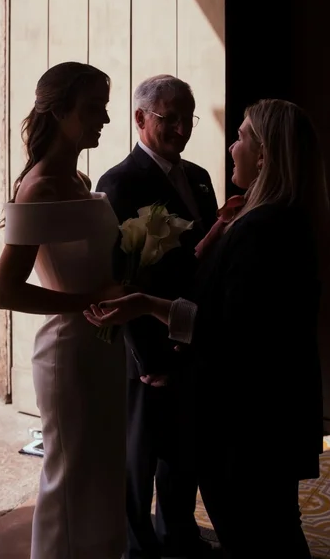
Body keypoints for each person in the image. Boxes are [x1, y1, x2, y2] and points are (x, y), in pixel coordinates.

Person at [86, 98, 328, 559]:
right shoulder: (278, 217)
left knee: (255, 532)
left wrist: (145, 304)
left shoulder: (262, 228)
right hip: (268, 408)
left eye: (240, 137)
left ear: (265, 156)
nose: (231, 147)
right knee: (274, 525)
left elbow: (228, 329)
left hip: (246, 416)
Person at [0, 62, 127, 559]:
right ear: (61, 110)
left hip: (104, 347)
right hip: (68, 354)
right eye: (94, 108)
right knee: (71, 479)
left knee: (104, 472)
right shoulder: (40, 188)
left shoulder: (79, 177)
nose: (105, 120)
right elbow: (6, 292)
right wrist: (88, 303)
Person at [96, 75, 219, 559]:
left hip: (192, 333)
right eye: (171, 118)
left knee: (182, 452)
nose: (183, 128)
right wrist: (145, 356)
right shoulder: (119, 182)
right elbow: (119, 278)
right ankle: (137, 546)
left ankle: (178, 535)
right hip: (144, 347)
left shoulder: (200, 175)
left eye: (188, 116)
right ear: (141, 119)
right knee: (139, 459)